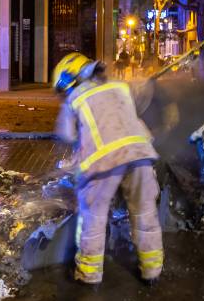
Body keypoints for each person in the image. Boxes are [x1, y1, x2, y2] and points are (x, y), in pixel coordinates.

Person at [52, 52, 164, 285]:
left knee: (93, 216)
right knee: (145, 212)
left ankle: (89, 275)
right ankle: (152, 271)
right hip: (141, 154)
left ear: (71, 78)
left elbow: (67, 134)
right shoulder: (119, 86)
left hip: (103, 161)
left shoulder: (75, 98)